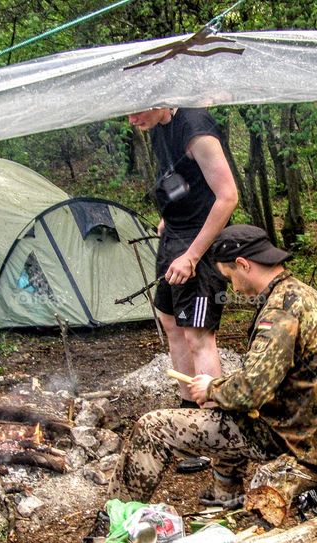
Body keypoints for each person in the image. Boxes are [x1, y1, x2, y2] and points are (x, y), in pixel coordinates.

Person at [107, 224, 317, 507]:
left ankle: (112, 525)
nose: (232, 285)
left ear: (243, 264)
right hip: (313, 432)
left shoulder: (280, 312)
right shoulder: (306, 295)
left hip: (289, 439)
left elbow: (250, 392)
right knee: (226, 405)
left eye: (229, 275)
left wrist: (211, 388)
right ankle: (226, 491)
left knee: (152, 426)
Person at [128, 106, 237, 472]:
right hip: (175, 237)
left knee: (198, 336)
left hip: (200, 247)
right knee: (171, 322)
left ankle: (214, 431)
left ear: (159, 100)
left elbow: (227, 197)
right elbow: (185, 181)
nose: (131, 121)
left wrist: (192, 256)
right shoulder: (160, 125)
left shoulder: (196, 130)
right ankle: (187, 420)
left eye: (135, 112)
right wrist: (167, 218)